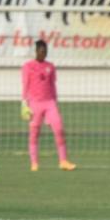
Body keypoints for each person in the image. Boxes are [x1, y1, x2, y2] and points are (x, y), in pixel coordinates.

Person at [22, 40, 76, 172]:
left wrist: (55, 102)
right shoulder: (28, 66)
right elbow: (25, 85)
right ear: (36, 51)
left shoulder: (50, 66)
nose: (43, 54)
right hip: (35, 103)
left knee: (59, 129)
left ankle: (63, 161)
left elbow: (52, 85)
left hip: (50, 103)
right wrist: (24, 104)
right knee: (34, 133)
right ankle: (34, 163)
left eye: (45, 52)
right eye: (41, 51)